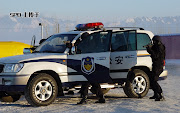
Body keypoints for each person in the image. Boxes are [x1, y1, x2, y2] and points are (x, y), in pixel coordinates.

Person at [146, 35, 166, 101]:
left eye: (154, 41)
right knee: (152, 80)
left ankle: (160, 94)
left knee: (154, 80)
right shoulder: (157, 46)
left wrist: (150, 49)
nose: (153, 42)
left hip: (158, 66)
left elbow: (155, 56)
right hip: (156, 65)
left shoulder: (160, 47)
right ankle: (156, 94)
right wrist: (149, 48)